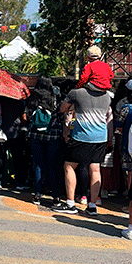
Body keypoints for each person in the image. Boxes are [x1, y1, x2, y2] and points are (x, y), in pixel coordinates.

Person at [53, 76, 113, 215]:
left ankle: (70, 204)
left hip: (82, 136)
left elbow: (63, 109)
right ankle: (92, 206)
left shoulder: (76, 93)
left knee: (69, 166)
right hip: (100, 137)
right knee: (95, 169)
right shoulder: (107, 96)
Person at [25, 76, 63, 205]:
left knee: (38, 165)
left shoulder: (33, 98)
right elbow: (60, 115)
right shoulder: (56, 99)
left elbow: (27, 115)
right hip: (53, 136)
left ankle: (37, 194)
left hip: (35, 136)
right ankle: (55, 196)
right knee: (53, 165)